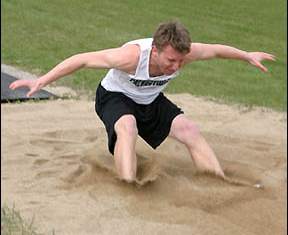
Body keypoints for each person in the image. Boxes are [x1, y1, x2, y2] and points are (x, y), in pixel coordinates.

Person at [10, 20, 275, 183]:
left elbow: (217, 50)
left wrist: (246, 55)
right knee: (128, 127)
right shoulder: (130, 57)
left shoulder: (186, 54)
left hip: (150, 99)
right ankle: (128, 186)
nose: (176, 66)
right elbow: (82, 58)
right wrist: (41, 81)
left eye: (180, 61)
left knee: (190, 131)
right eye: (170, 60)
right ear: (156, 50)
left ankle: (216, 183)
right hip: (115, 96)